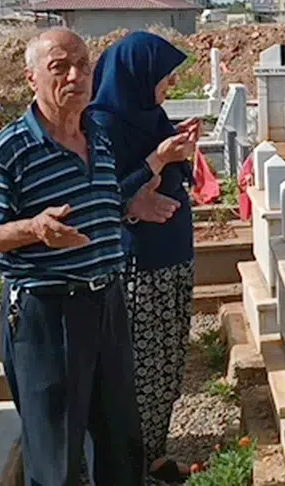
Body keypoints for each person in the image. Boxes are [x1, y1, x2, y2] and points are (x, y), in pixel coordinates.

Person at [0, 28, 179, 486]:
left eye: (84, 65)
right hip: (48, 312)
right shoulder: (11, 149)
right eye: (60, 67)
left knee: (120, 442)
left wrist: (135, 196)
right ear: (32, 78)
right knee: (56, 454)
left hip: (107, 303)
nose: (75, 76)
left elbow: (102, 202)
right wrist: (33, 228)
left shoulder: (97, 133)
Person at [87, 31, 200, 483]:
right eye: (164, 78)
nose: (169, 87)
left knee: (168, 360)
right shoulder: (102, 124)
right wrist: (156, 160)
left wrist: (180, 149)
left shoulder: (150, 116)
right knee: (141, 368)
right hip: (140, 263)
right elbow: (103, 196)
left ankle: (154, 452)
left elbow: (171, 172)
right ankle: (130, 461)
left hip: (172, 254)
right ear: (136, 77)